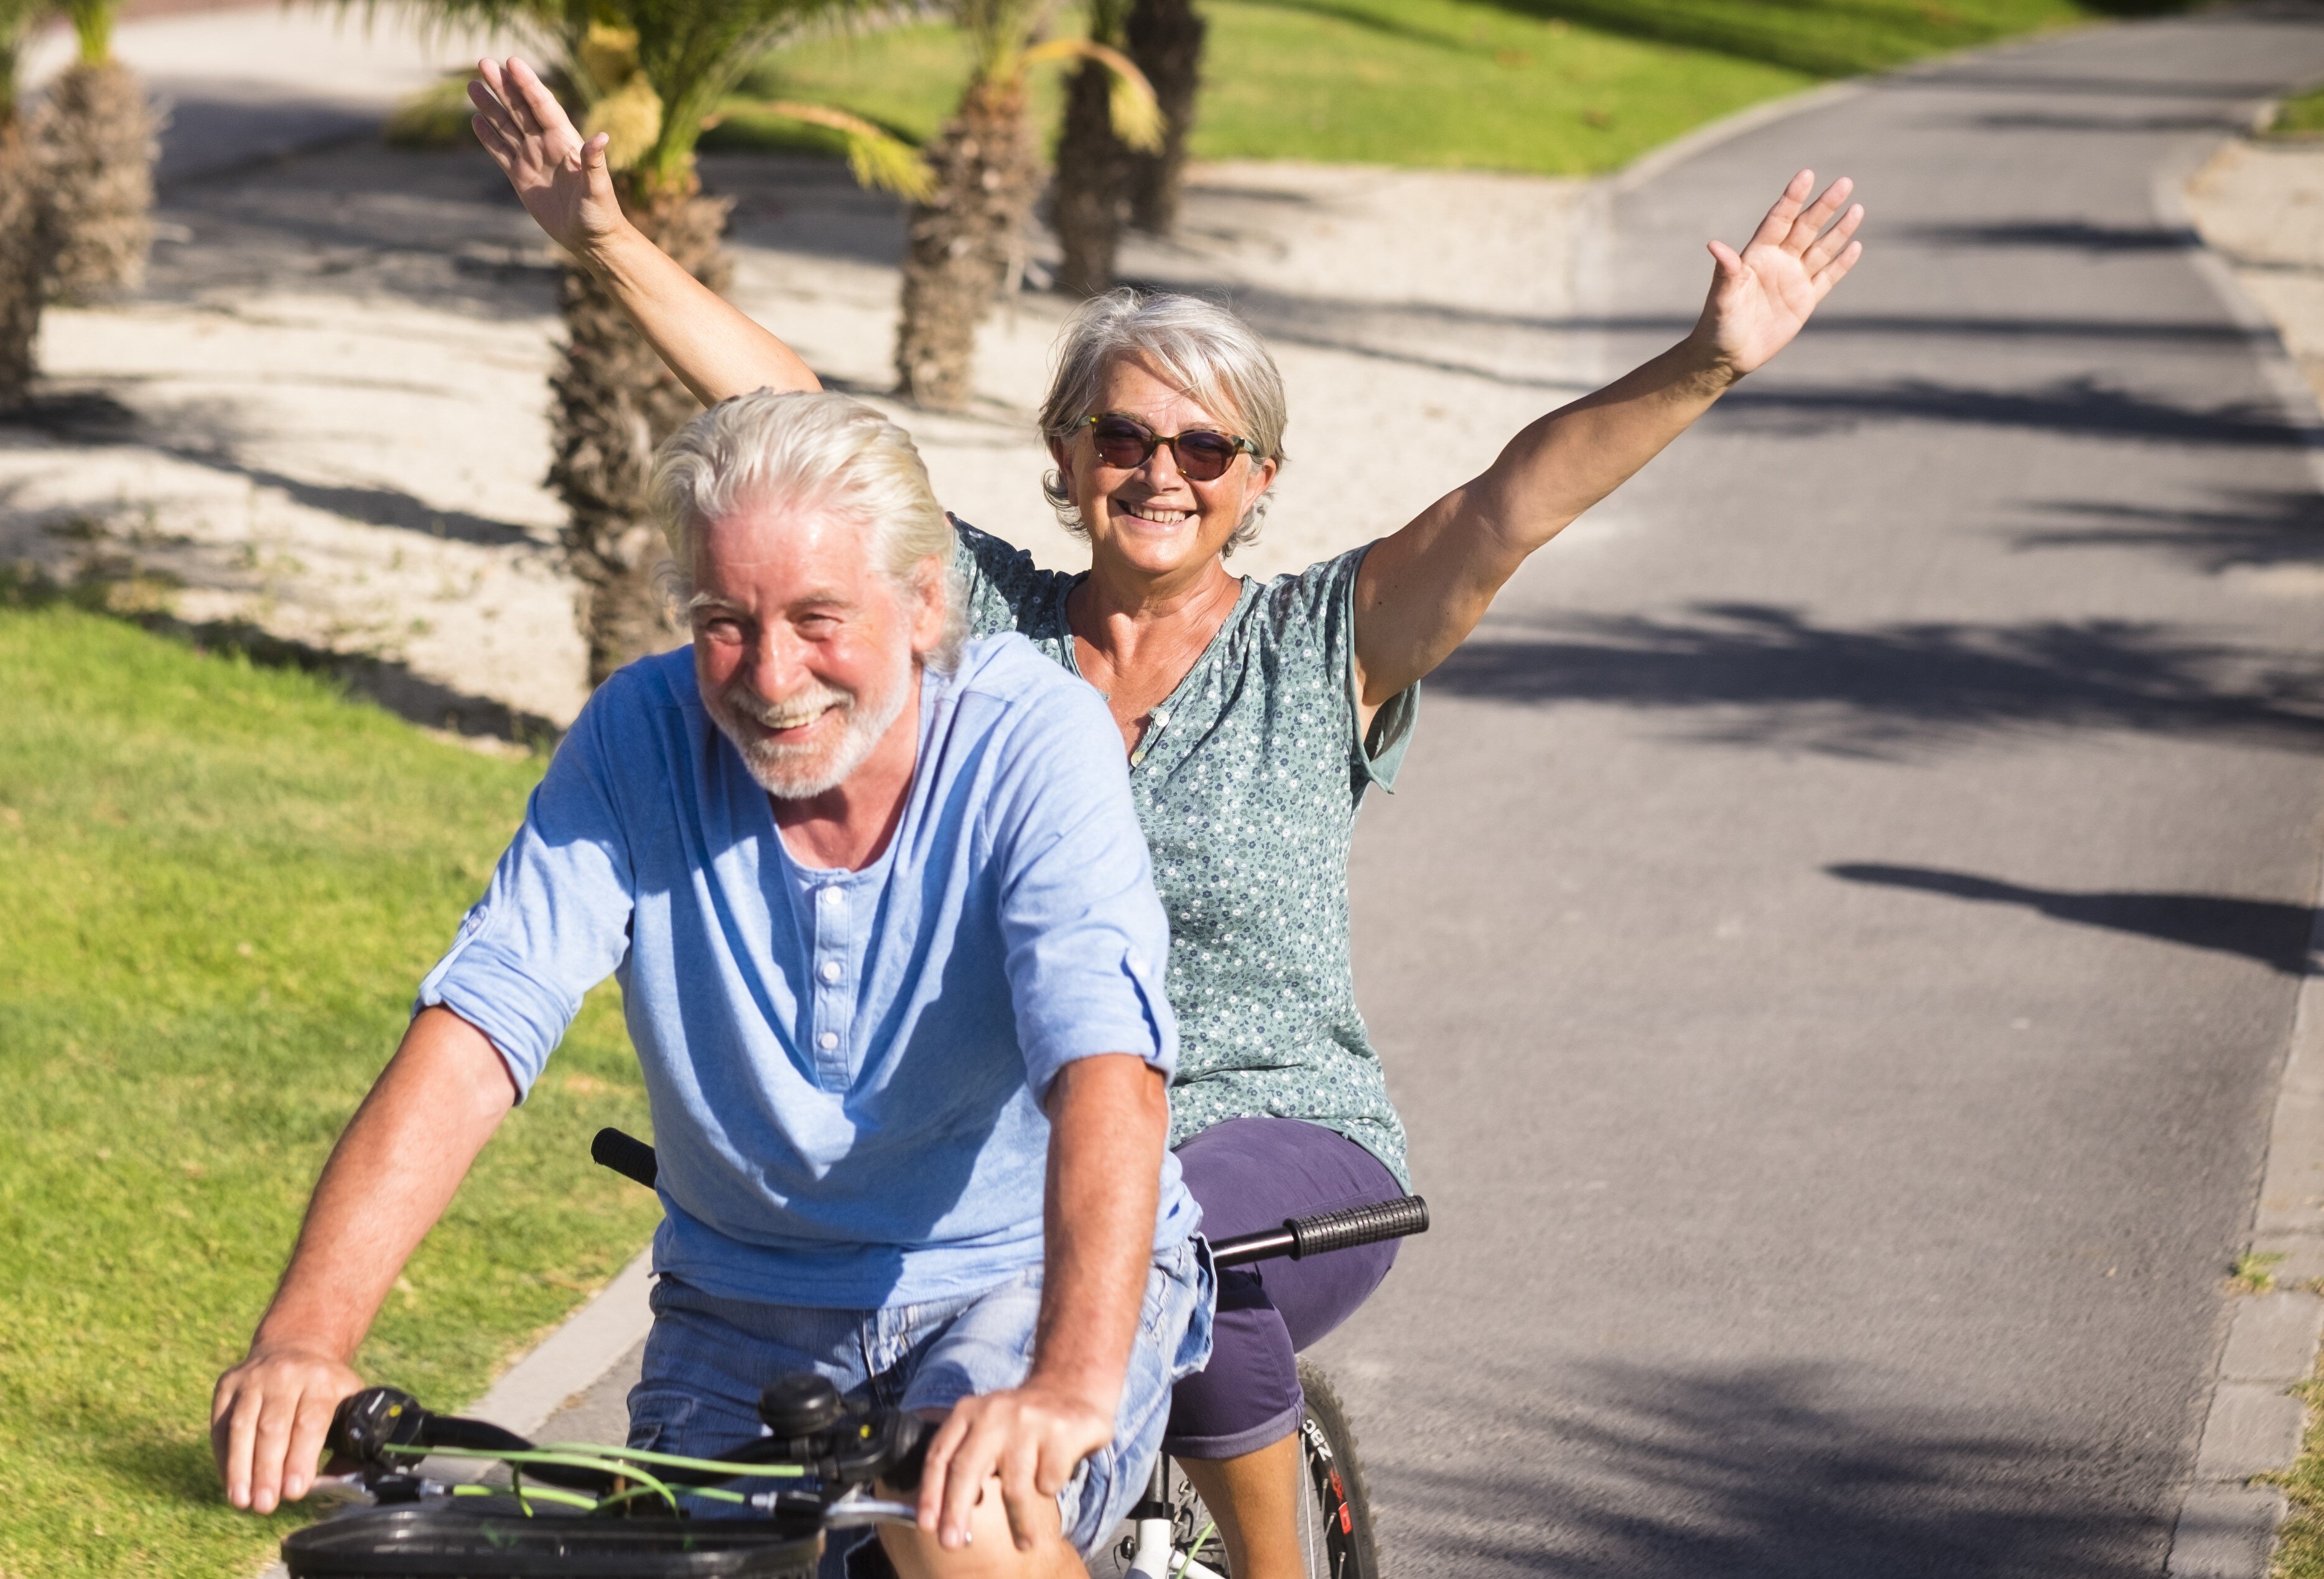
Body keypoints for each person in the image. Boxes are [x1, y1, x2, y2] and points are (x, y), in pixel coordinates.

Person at [466, 53, 1867, 1579]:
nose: (1160, 473)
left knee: (1157, 1228)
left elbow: (1506, 504)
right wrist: (599, 234)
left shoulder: (1319, 645)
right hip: (1011, 1134)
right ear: (1065, 456)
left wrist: (1706, 359)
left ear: (1257, 479)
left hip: (1269, 1118)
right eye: (1124, 437)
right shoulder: (971, 615)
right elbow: (791, 415)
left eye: (1205, 450)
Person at [211, 390, 1218, 1579]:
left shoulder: (1029, 740)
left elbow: (1106, 1071)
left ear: (924, 603)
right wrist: (305, 1340)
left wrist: (1061, 1384)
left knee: (960, 1526)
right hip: (743, 1310)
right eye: (725, 622)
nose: (771, 673)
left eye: (818, 617)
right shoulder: (641, 735)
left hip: (1012, 1277)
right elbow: (479, 1028)